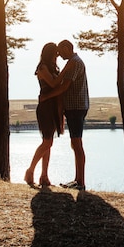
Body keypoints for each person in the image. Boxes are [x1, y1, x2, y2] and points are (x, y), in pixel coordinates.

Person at [40, 39, 89, 191]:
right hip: (74, 107)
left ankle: (80, 182)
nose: (59, 56)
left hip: (76, 107)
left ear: (67, 48)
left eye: (61, 52)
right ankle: (77, 179)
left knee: (77, 143)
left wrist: (47, 97)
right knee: (75, 143)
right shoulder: (73, 62)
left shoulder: (74, 63)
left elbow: (64, 86)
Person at [25, 42, 64, 187]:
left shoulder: (53, 68)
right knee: (47, 141)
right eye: (55, 54)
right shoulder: (42, 68)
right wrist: (66, 73)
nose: (57, 57)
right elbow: (54, 84)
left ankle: (44, 176)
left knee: (49, 143)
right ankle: (30, 171)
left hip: (53, 107)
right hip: (45, 108)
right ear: (50, 53)